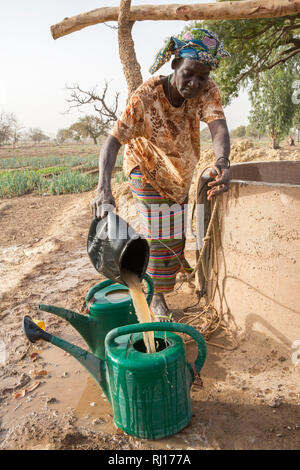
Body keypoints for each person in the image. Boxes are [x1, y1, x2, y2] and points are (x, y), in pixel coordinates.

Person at [91, 28, 231, 321]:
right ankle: (156, 298)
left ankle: (166, 274)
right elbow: (113, 140)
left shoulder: (208, 90)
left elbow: (218, 126)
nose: (195, 83)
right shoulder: (147, 96)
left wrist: (223, 161)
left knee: (175, 232)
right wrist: (104, 187)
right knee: (160, 232)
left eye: (202, 77)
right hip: (146, 166)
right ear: (175, 64)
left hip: (179, 173)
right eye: (189, 73)